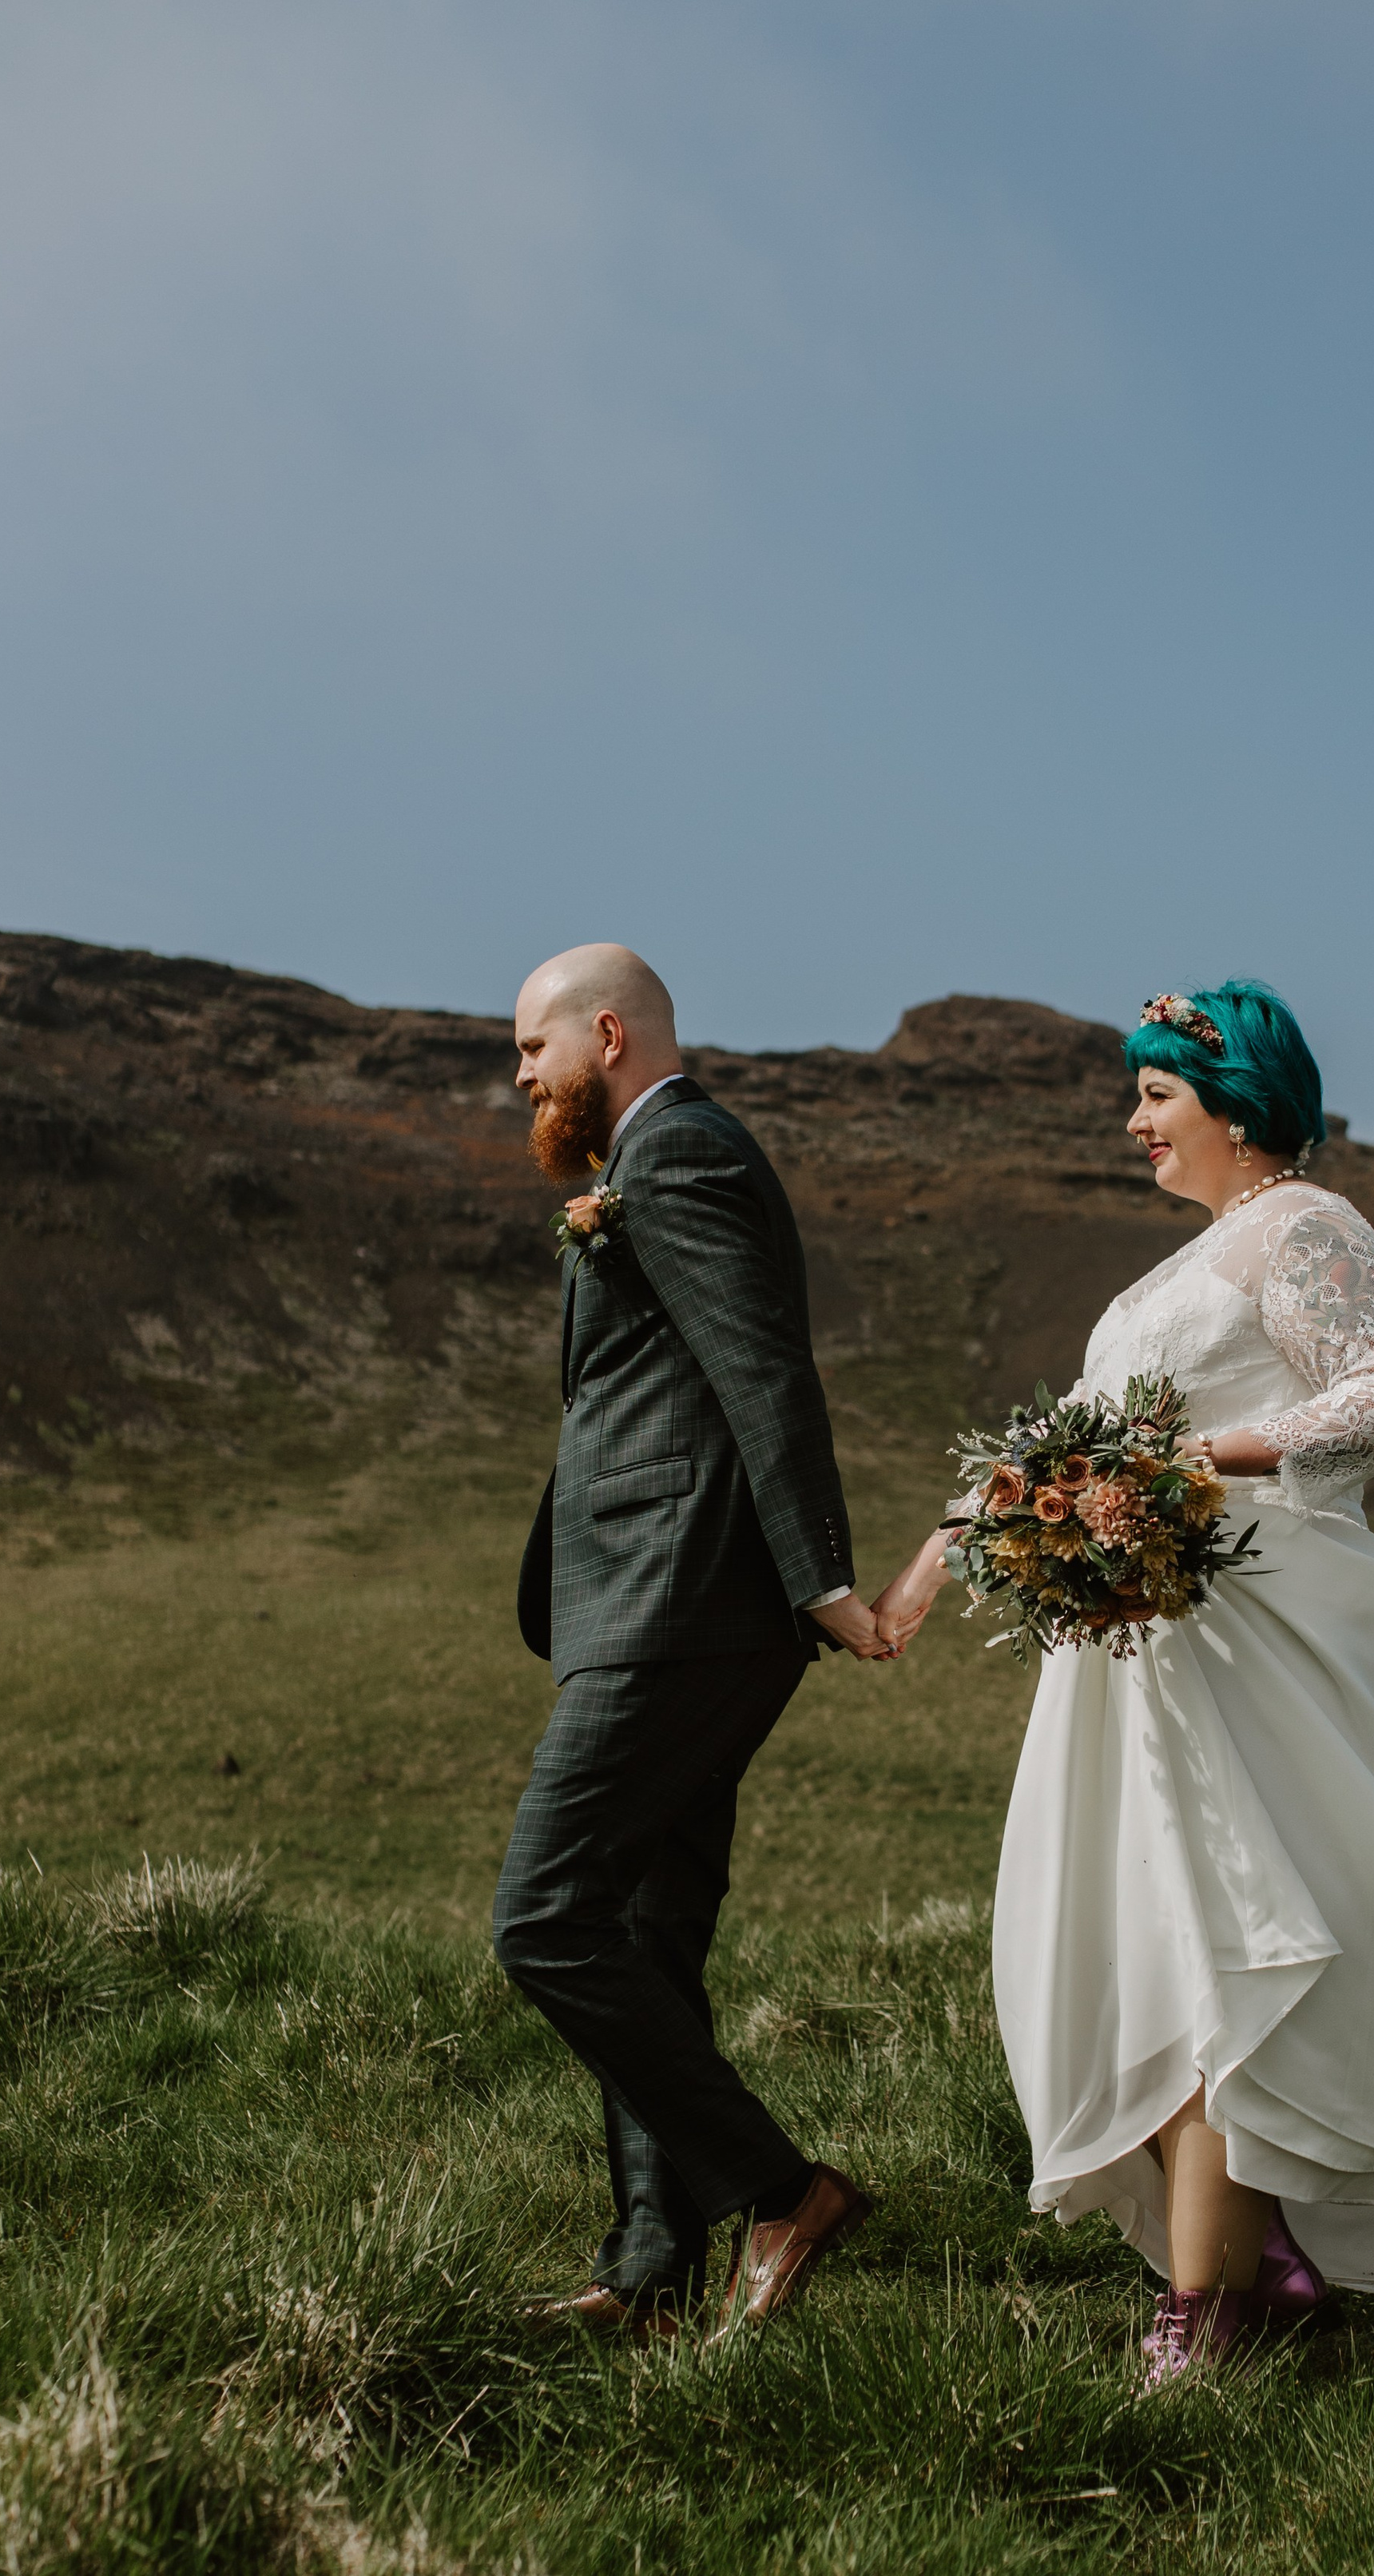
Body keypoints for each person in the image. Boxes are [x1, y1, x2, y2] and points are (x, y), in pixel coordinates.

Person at [871, 980, 1374, 2379]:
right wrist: (936, 1559)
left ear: (1240, 1106)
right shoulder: (1165, 1277)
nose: (1132, 1122)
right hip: (1136, 1662)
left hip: (1247, 1648)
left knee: (1216, 1960)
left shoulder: (1307, 1229)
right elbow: (1072, 1444)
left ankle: (1209, 2314)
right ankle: (1260, 2247)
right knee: (1112, 1954)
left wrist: (1195, 1464)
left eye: (1156, 1095)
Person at [493, 943, 892, 2343]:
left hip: (682, 1605)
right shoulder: (649, 1160)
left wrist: (822, 1578)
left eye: (533, 1047)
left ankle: (784, 2194)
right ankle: (647, 2273)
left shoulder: (684, 1157)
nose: (521, 1075)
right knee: (647, 1936)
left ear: (607, 1033)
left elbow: (760, 1366)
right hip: (658, 1603)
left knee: (543, 1917)